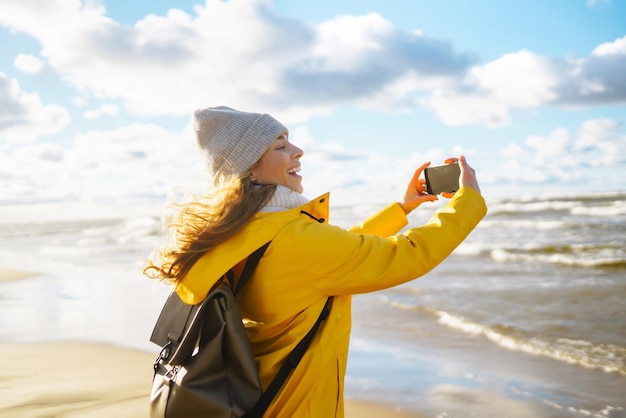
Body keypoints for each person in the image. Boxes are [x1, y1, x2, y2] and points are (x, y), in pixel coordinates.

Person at [144, 106, 487, 417]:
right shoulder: (295, 239)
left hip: (256, 401)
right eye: (280, 146)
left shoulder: (238, 232)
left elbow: (340, 250)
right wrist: (467, 200)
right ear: (250, 169)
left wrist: (402, 208)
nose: (297, 151)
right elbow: (404, 257)